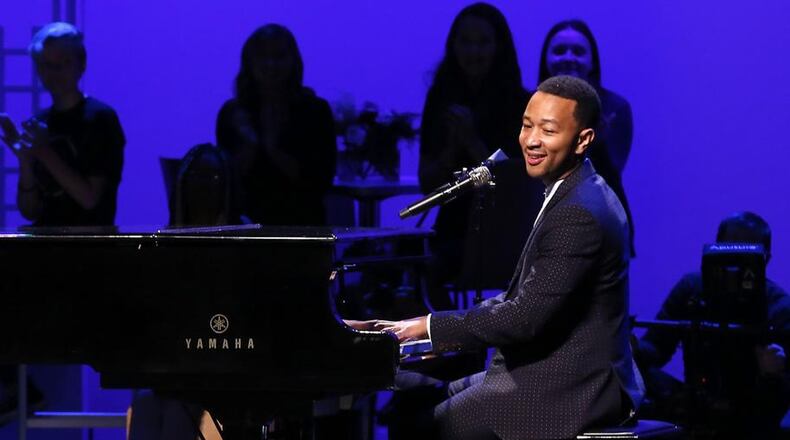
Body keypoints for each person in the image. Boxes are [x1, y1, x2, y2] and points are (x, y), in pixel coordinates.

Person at [350, 75, 643, 439]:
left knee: (424, 425)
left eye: (548, 131)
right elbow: (525, 300)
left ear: (583, 140)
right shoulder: (576, 190)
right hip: (550, 372)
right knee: (413, 396)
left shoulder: (578, 212)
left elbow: (522, 318)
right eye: (526, 126)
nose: (531, 141)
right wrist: (423, 329)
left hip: (571, 388)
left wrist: (431, 331)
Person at [0, 21, 125, 424]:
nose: (54, 74)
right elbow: (32, 210)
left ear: (79, 64)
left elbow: (90, 199)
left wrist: (44, 154)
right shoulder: (44, 123)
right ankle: (15, 389)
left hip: (87, 251)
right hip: (48, 245)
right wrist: (25, 162)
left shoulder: (100, 119)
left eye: (62, 64)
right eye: (46, 66)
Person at [418, 2, 543, 310]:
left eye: (483, 42)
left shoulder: (520, 102)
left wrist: (473, 141)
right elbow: (427, 183)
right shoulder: (440, 99)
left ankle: (457, 340)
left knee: (431, 269)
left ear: (499, 47)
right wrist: (450, 148)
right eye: (466, 41)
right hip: (452, 225)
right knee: (404, 265)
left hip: (501, 230)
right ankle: (448, 348)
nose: (473, 52)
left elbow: (517, 184)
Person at [634, 212, 790, 438]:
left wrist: (773, 373)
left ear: (765, 260)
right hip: (691, 409)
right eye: (728, 256)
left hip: (750, 419)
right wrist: (628, 350)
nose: (733, 269)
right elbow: (656, 347)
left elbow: (778, 402)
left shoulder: (780, 309)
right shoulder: (691, 288)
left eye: (744, 260)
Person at [215, 24, 336, 227]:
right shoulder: (233, 114)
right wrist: (252, 146)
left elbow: (318, 183)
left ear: (293, 61)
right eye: (263, 56)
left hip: (302, 225)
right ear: (249, 62)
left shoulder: (315, 111)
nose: (271, 64)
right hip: (245, 227)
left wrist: (273, 149)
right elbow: (226, 184)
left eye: (279, 56)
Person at [538, 19, 636, 256]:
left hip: (601, 220)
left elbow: (611, 172)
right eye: (559, 51)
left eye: (578, 52)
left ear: (592, 61)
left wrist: (597, 142)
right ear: (546, 59)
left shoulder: (614, 107)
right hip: (544, 222)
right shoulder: (532, 106)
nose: (569, 57)